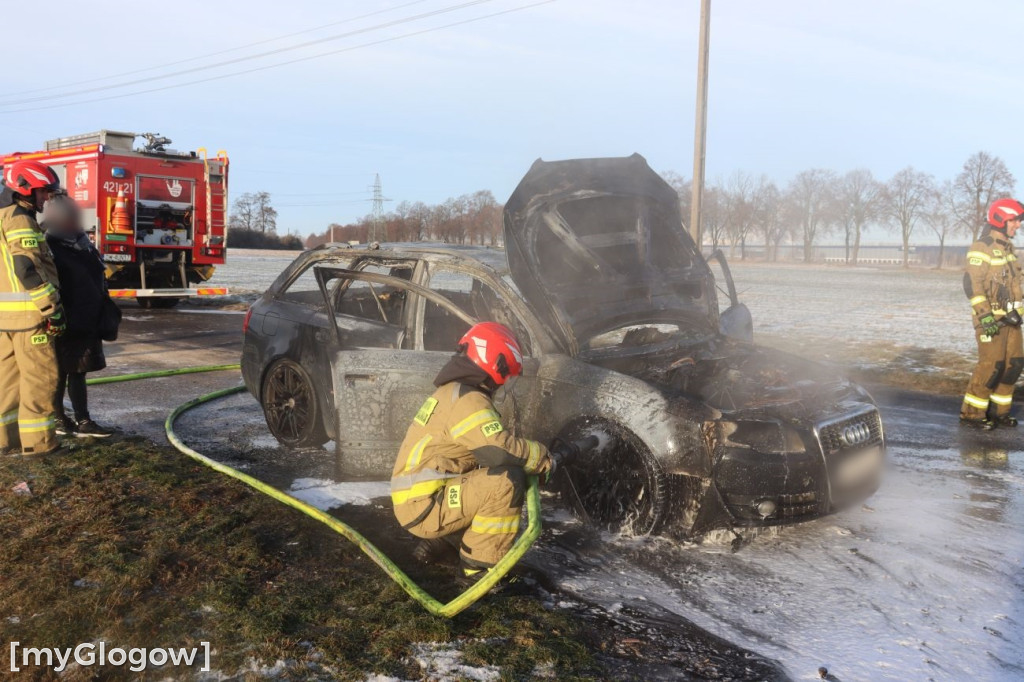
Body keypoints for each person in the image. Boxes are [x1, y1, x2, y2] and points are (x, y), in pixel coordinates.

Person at [391, 322, 562, 582]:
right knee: (506, 482)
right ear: (495, 364)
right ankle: (478, 570)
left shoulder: (453, 392)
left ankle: (444, 544)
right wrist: (539, 456)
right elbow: (499, 450)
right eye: (506, 376)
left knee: (486, 473)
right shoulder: (468, 400)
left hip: (419, 500)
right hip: (425, 507)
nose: (504, 384)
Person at [0, 160, 65, 456]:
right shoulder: (20, 220)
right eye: (43, 191)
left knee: (7, 383)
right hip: (29, 318)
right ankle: (39, 445)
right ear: (24, 189)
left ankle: (5, 439)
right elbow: (26, 268)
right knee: (41, 380)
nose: (47, 197)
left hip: (5, 320)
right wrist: (52, 309)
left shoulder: (3, 215)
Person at [42, 195, 115, 437]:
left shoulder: (83, 243)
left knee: (78, 370)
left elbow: (97, 272)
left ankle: (82, 420)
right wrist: (56, 315)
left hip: (88, 318)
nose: (75, 220)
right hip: (66, 319)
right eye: (70, 216)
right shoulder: (50, 246)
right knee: (61, 371)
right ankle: (61, 419)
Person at [961, 197, 1024, 430]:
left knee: (1013, 366)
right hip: (991, 321)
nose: (1018, 225)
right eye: (1014, 220)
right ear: (1000, 219)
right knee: (992, 366)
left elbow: (1013, 283)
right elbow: (972, 284)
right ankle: (972, 414)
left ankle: (999, 412)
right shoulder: (982, 247)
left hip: (1012, 321)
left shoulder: (1008, 249)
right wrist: (985, 316)